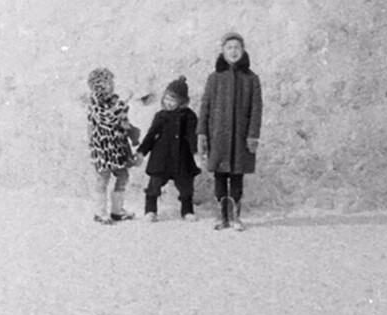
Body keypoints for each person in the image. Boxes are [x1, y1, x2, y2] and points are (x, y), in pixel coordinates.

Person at [198, 31, 262, 231]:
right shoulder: (215, 78)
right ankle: (221, 216)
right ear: (223, 51)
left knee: (236, 175)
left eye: (237, 47)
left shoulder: (251, 79)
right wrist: (202, 132)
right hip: (218, 136)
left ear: (243, 51)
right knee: (219, 175)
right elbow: (205, 106)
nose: (233, 51)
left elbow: (256, 108)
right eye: (229, 47)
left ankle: (235, 216)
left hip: (240, 137)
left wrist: (252, 134)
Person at [136, 75, 201, 222]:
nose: (169, 103)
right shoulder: (161, 115)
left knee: (185, 186)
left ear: (182, 101)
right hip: (162, 156)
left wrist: (195, 153)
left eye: (173, 100)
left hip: (182, 157)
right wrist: (142, 152)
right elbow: (151, 135)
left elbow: (192, 136)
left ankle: (187, 210)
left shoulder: (189, 116)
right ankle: (150, 210)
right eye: (167, 99)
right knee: (155, 183)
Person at [86, 67, 140, 224]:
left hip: (117, 147)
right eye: (109, 82)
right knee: (103, 178)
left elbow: (120, 120)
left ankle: (117, 210)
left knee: (123, 175)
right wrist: (122, 106)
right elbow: (107, 118)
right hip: (103, 148)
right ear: (99, 85)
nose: (112, 85)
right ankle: (100, 211)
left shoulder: (113, 100)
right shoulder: (95, 102)